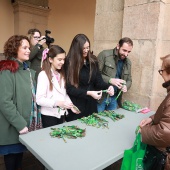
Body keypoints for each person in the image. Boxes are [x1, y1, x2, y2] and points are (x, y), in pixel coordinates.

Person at [0, 35, 41, 170]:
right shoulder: (7, 70)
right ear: (14, 49)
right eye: (25, 47)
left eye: (29, 47)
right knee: (12, 162)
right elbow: (5, 102)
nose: (29, 50)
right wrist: (21, 125)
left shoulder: (26, 69)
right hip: (13, 127)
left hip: (24, 125)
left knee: (19, 162)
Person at [65, 34, 114, 121]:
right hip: (76, 106)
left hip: (91, 105)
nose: (86, 50)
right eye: (83, 48)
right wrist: (89, 93)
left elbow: (98, 82)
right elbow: (69, 89)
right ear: (76, 48)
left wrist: (108, 87)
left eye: (88, 47)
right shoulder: (69, 63)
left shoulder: (93, 61)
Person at [36, 45, 80, 128]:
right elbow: (39, 100)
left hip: (61, 114)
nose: (63, 62)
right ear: (50, 59)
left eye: (63, 59)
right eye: (59, 60)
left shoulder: (61, 74)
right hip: (49, 116)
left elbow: (63, 94)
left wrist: (71, 106)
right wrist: (58, 103)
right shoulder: (43, 75)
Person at [139, 54, 170, 170]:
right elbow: (166, 113)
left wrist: (143, 131)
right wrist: (152, 118)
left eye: (162, 70)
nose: (161, 73)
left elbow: (165, 133)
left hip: (163, 158)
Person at [97, 37, 133, 112]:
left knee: (112, 122)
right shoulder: (104, 54)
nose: (126, 54)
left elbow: (129, 80)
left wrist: (126, 86)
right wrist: (110, 80)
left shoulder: (128, 62)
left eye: (129, 52)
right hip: (101, 97)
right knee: (97, 121)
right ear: (118, 46)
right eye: (124, 50)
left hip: (115, 98)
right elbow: (95, 74)